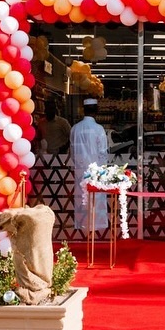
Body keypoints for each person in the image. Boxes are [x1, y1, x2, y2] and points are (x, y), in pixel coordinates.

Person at [70, 97, 108, 233]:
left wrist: (78, 165)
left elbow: (72, 151)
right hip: (96, 171)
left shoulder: (75, 128)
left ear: (83, 110)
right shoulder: (99, 129)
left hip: (80, 170)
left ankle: (82, 225)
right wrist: (103, 169)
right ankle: (96, 226)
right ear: (96, 111)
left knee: (81, 198)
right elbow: (103, 152)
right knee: (96, 198)